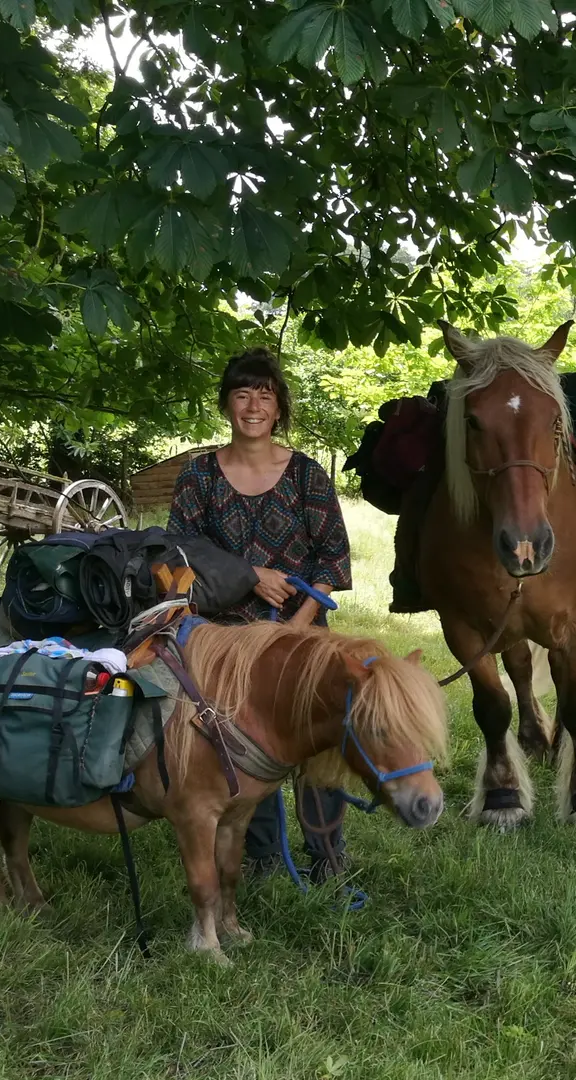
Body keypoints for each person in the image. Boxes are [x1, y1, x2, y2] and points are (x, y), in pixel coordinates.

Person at [168, 347, 356, 882]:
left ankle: (327, 854)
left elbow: (332, 557)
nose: (254, 405)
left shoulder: (305, 475)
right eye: (243, 393)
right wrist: (251, 574)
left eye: (265, 395)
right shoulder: (198, 476)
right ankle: (261, 852)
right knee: (241, 745)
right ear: (227, 403)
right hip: (223, 640)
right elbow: (179, 555)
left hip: (302, 635)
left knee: (316, 740)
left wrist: (296, 627)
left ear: (279, 408)